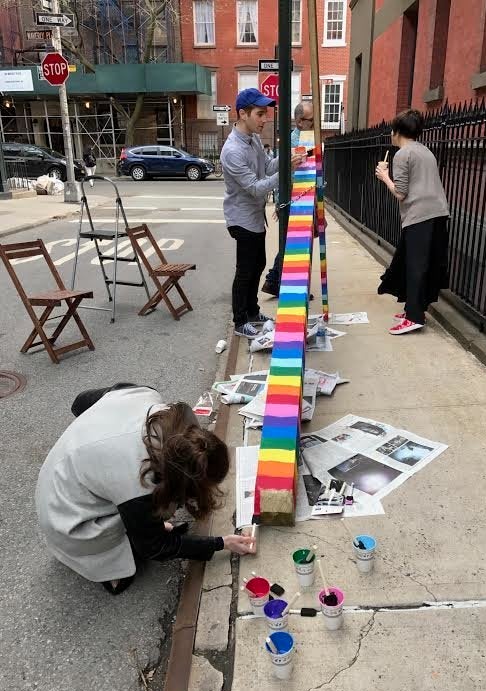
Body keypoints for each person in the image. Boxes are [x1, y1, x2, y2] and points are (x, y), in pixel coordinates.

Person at [35, 384, 254, 595]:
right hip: (66, 519)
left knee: (147, 514)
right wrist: (220, 543)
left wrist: (91, 440)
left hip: (56, 476)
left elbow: (80, 402)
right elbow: (155, 547)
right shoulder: (137, 479)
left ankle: (130, 518)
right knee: (132, 560)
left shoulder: (146, 397)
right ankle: (103, 563)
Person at [220, 88, 305, 339]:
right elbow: (256, 189)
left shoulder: (254, 139)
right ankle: (239, 321)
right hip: (241, 218)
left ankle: (253, 312)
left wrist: (288, 157)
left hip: (255, 217)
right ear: (242, 114)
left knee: (258, 265)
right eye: (259, 114)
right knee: (245, 270)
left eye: (265, 113)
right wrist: (286, 172)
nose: (264, 119)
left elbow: (267, 166)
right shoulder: (232, 151)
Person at [375, 109, 450, 335]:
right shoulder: (425, 151)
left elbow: (400, 193)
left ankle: (414, 317)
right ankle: (414, 309)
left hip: (419, 215)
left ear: (397, 131)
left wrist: (384, 176)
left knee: (415, 265)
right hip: (437, 212)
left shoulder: (402, 154)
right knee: (418, 262)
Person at [262, 100, 314, 297]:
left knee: (294, 243)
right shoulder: (295, 142)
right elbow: (290, 174)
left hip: (303, 198)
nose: (314, 124)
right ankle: (280, 282)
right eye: (311, 120)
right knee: (295, 245)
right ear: (300, 121)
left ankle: (276, 280)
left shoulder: (306, 138)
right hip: (297, 199)